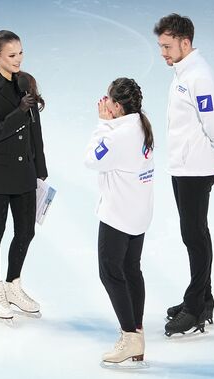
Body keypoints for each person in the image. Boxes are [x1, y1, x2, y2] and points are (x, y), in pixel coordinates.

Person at [153, 14, 214, 336]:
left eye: (167, 46)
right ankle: (204, 298)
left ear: (185, 43)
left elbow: (212, 119)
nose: (163, 52)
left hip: (196, 168)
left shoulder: (198, 75)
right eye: (160, 46)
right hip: (184, 165)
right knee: (196, 234)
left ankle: (195, 307)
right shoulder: (183, 72)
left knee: (194, 237)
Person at [0, 30, 48, 321]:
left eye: (21, 53)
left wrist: (40, 170)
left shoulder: (25, 82)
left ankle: (13, 284)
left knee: (26, 230)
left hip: (24, 169)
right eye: (11, 55)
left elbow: (35, 130)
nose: (18, 59)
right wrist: (18, 111)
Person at [84, 78, 154, 365]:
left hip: (118, 215)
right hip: (138, 213)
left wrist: (103, 124)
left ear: (116, 106)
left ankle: (129, 336)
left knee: (110, 273)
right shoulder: (141, 126)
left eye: (109, 102)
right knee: (131, 269)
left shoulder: (116, 135)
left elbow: (91, 159)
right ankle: (136, 332)